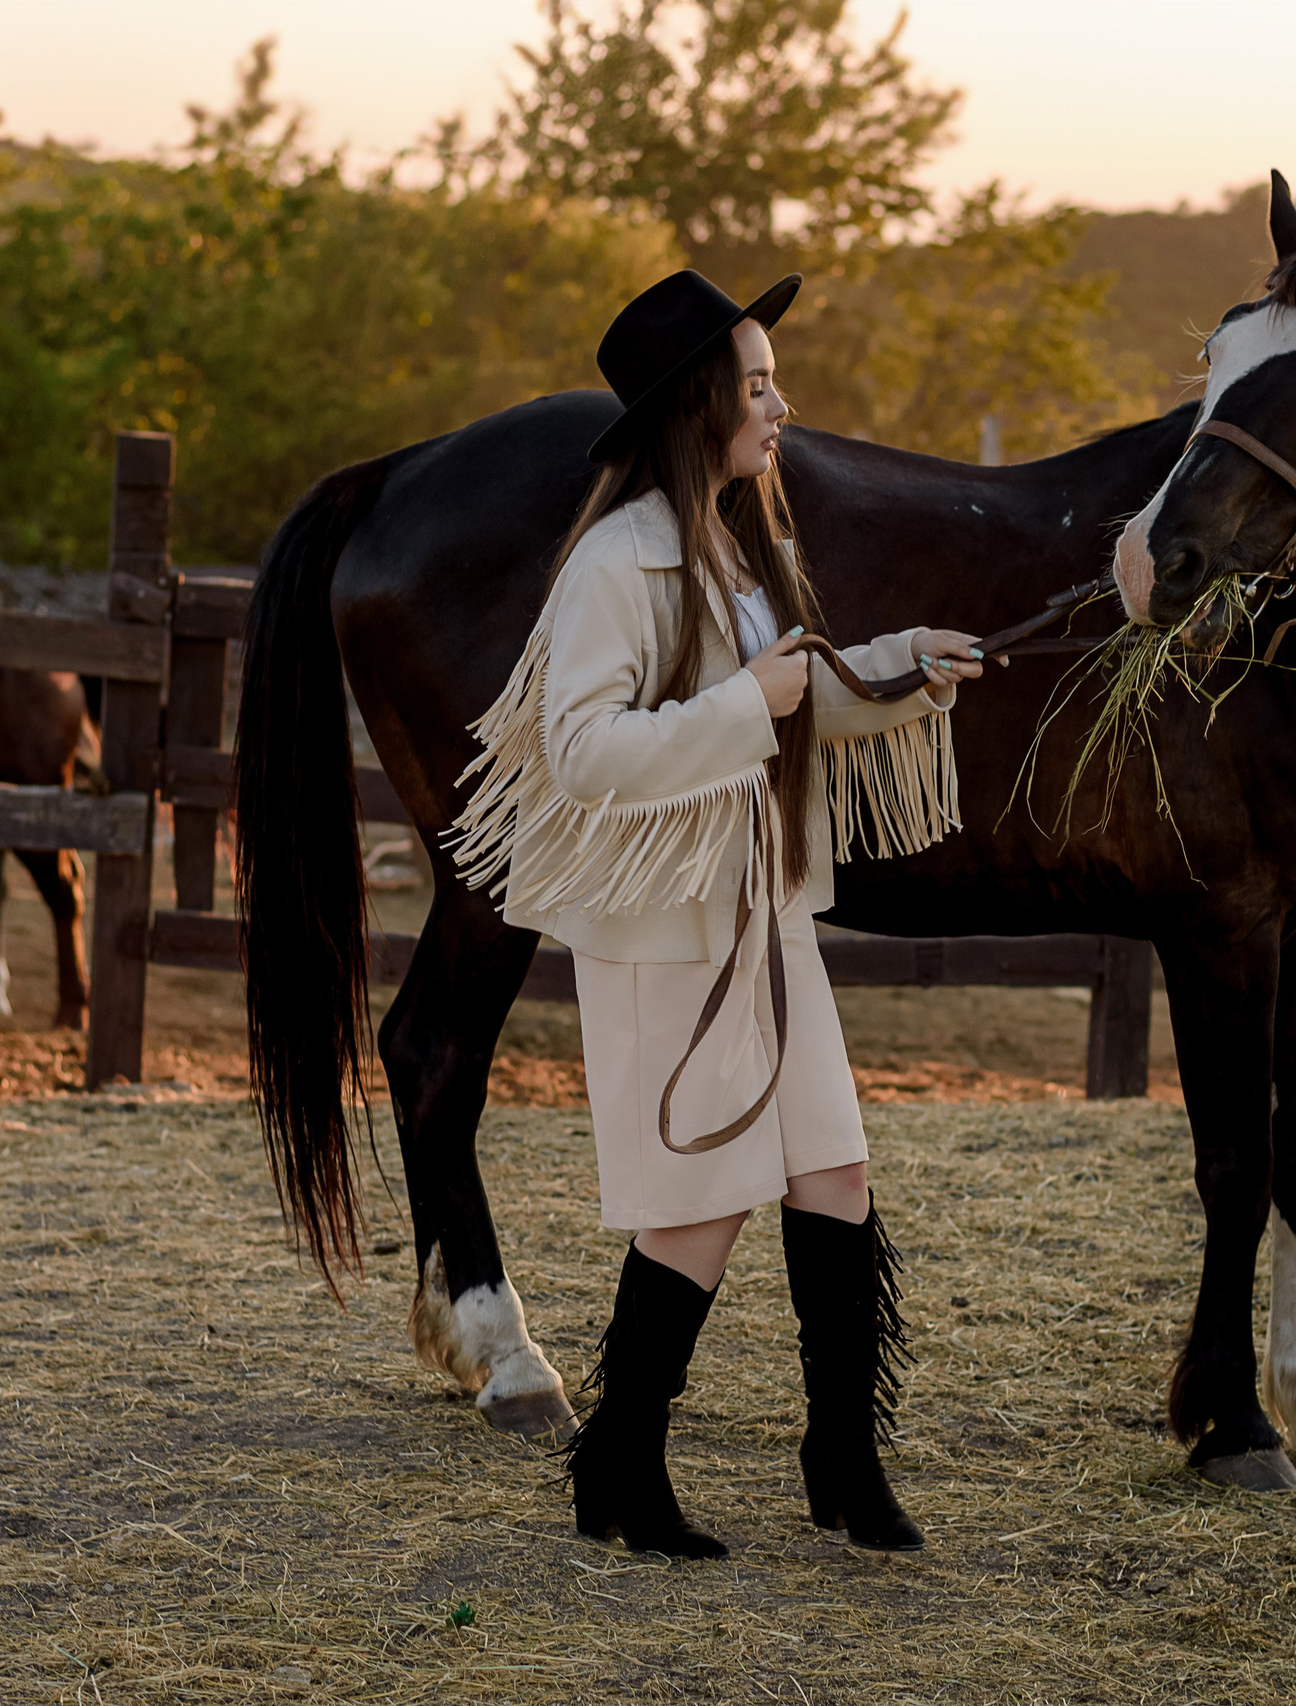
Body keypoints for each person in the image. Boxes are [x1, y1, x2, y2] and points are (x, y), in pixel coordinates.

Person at [450, 269, 983, 1558]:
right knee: (699, 1202)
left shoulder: (738, 549)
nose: (779, 407)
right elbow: (585, 750)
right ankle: (618, 1469)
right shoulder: (613, 564)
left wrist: (906, 668)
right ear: (701, 405)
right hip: (669, 930)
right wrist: (748, 703)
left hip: (762, 914)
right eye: (757, 385)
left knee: (834, 1172)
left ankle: (842, 1462)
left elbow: (797, 696)